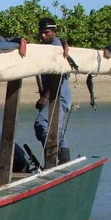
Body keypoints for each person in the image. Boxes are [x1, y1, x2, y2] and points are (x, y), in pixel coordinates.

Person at [34, 17, 72, 162]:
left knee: (43, 125)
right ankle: (58, 161)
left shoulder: (58, 48)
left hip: (59, 95)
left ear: (54, 32)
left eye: (47, 33)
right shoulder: (45, 48)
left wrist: (44, 97)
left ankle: (58, 162)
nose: (43, 36)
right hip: (52, 96)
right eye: (41, 33)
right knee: (51, 129)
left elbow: (60, 76)